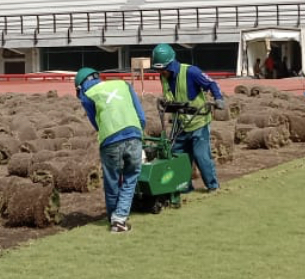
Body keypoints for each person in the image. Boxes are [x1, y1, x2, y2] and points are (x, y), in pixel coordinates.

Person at [76, 68, 146, 233]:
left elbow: (96, 122)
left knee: (112, 180)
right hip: (134, 134)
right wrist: (138, 133)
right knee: (130, 177)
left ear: (80, 86)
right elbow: (141, 116)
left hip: (110, 140)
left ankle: (113, 218)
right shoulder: (123, 85)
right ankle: (120, 218)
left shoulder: (88, 95)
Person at [151, 43, 225, 193]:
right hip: (180, 122)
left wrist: (218, 98)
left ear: (171, 64)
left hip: (198, 120)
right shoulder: (163, 76)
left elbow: (211, 83)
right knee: (179, 156)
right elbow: (170, 94)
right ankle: (185, 186)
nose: (161, 72)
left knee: (201, 155)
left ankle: (213, 186)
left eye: (163, 69)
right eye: (159, 69)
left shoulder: (192, 72)